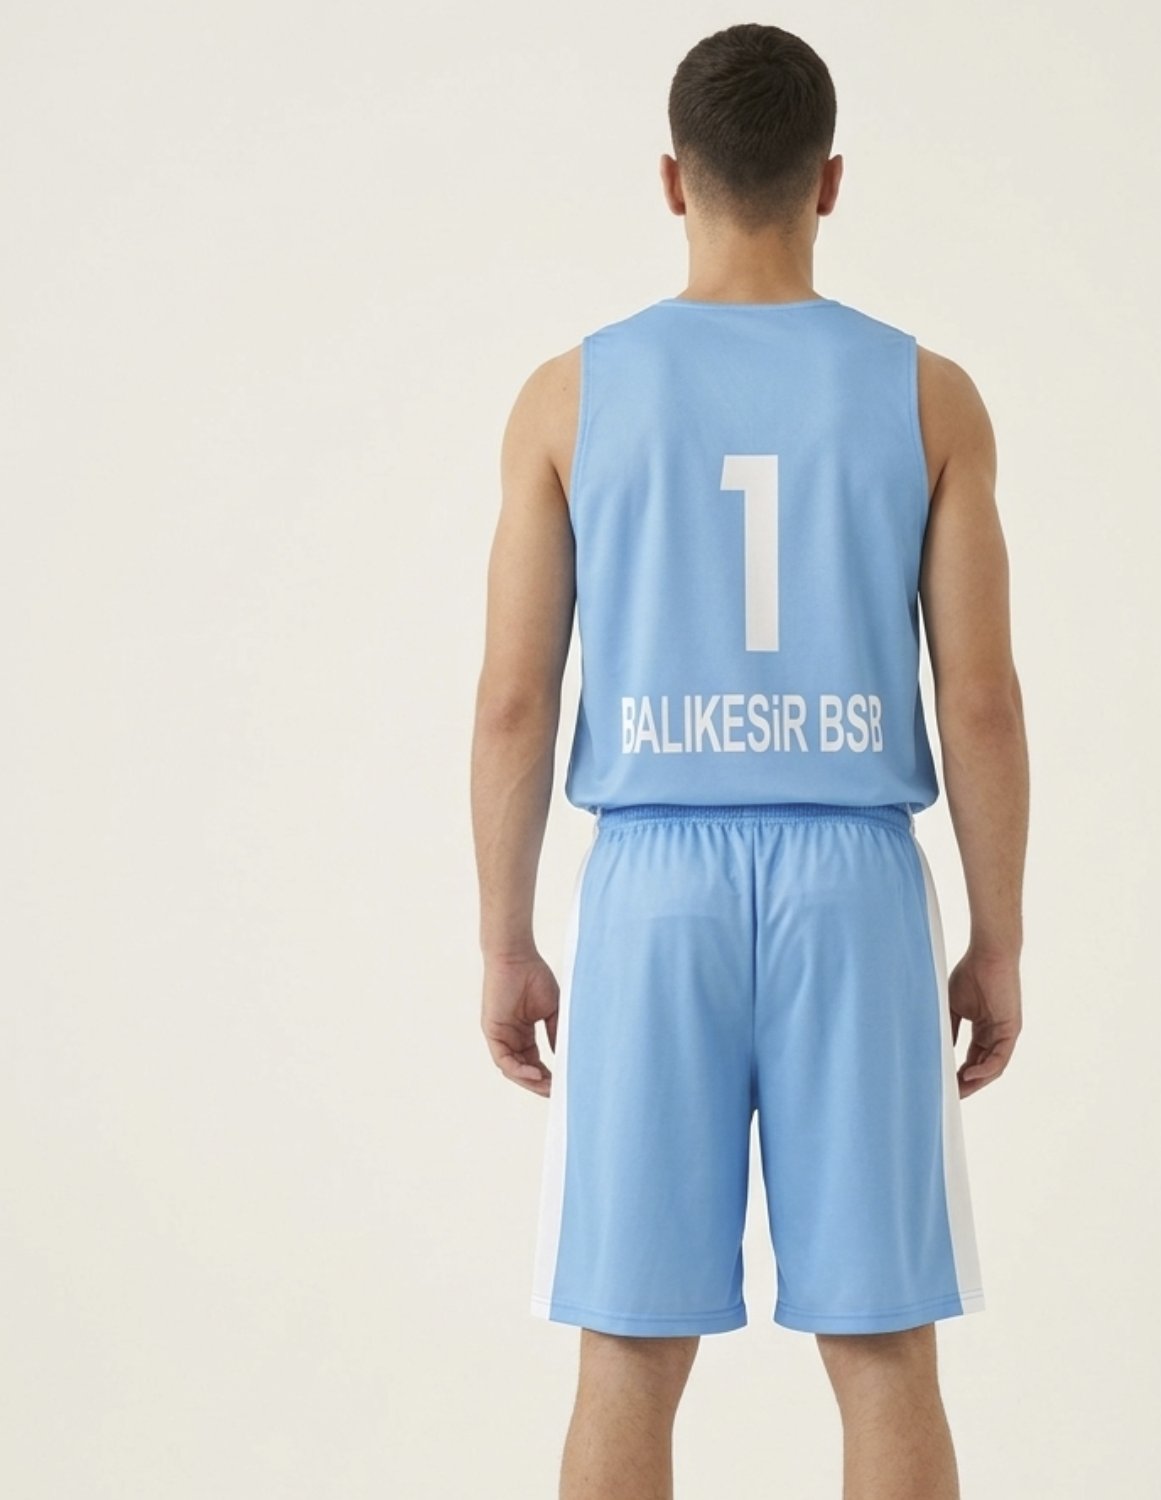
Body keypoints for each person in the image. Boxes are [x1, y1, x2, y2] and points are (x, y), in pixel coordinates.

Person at [469, 22, 1028, 1500]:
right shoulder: (930, 396)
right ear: (829, 180)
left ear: (673, 178)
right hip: (856, 889)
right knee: (885, 1349)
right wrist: (997, 939)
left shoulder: (567, 397)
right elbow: (978, 701)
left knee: (627, 1353)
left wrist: (507, 938)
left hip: (654, 891)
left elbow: (516, 703)